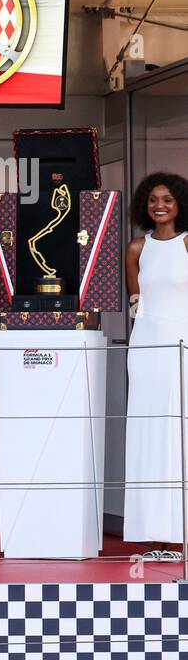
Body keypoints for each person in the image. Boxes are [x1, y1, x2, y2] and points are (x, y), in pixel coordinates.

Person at [123, 172, 188, 561]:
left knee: (177, 435)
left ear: (180, 202)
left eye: (166, 198)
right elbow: (136, 303)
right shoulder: (136, 247)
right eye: (152, 200)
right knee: (148, 434)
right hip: (145, 345)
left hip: (183, 344)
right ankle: (155, 536)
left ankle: (179, 534)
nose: (159, 205)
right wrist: (142, 336)